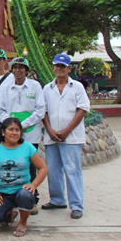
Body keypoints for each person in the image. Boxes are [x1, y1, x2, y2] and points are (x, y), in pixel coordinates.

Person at [42, 53, 90, 219]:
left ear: (69, 68)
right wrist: (48, 129)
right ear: (53, 67)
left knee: (72, 170)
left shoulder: (77, 87)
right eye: (57, 66)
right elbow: (44, 111)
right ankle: (57, 199)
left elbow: (82, 109)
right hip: (51, 136)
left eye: (63, 66)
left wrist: (67, 130)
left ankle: (76, 205)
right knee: (53, 170)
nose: (59, 69)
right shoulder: (47, 88)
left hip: (71, 137)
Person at [0, 57, 46, 214]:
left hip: (30, 134)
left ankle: (32, 199)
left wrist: (22, 125)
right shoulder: (6, 88)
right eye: (15, 67)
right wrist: (10, 126)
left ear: (26, 70)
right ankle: (12, 198)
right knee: (12, 165)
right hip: (11, 136)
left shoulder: (35, 86)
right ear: (11, 70)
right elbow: (0, 111)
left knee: (30, 167)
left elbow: (40, 110)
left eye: (21, 67)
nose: (18, 70)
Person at [0, 117, 48, 237]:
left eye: (17, 130)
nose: (14, 133)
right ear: (3, 132)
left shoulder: (27, 147)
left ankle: (22, 223)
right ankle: (10, 213)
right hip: (3, 193)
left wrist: (33, 185)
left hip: (22, 191)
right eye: (11, 129)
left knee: (25, 194)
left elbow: (43, 168)